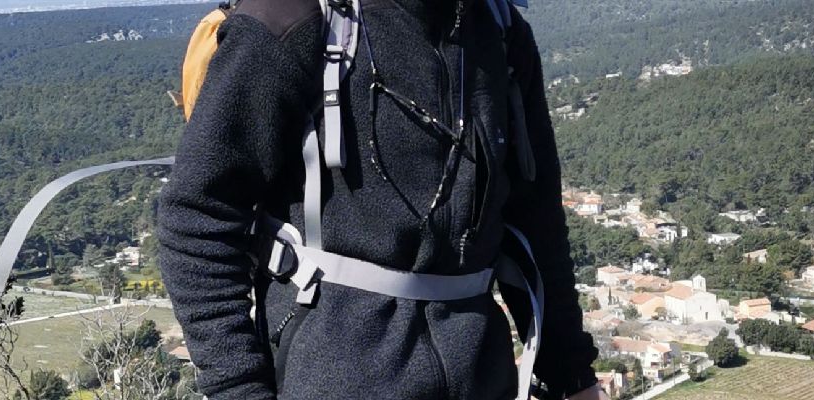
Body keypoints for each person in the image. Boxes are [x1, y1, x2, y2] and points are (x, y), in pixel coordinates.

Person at [155, 0, 606, 399]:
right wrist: (240, 389)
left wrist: (571, 375)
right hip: (329, 375)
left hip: (482, 376)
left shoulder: (499, 30)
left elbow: (536, 221)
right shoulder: (289, 18)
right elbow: (196, 220)